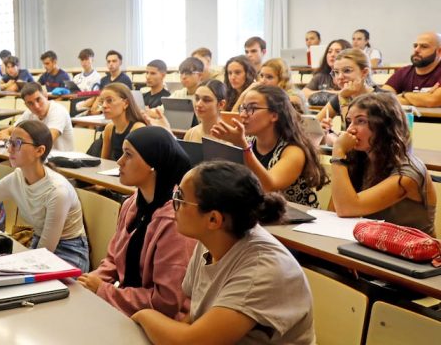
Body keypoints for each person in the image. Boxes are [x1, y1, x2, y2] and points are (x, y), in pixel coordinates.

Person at [132, 161, 315, 344]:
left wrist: (142, 314)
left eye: (179, 197)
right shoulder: (212, 239)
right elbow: (194, 318)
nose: (173, 203)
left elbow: (192, 342)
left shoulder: (263, 269)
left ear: (213, 219)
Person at [78, 126, 195, 318]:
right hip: (129, 307)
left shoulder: (176, 220)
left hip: (163, 321)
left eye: (128, 155)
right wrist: (89, 280)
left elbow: (167, 302)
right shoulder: (132, 202)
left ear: (153, 165)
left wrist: (104, 291)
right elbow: (113, 259)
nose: (119, 161)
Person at [0, 120, 90, 271]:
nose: (9, 149)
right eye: (9, 142)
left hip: (70, 252)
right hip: (39, 243)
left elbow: (44, 255)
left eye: (17, 143)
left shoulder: (57, 191)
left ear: (39, 151)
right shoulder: (17, 177)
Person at [330, 92, 436, 235]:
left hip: (406, 253)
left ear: (385, 126)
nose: (350, 129)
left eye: (361, 121)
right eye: (349, 121)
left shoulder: (408, 172)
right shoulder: (359, 159)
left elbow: (346, 208)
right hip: (366, 243)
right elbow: (334, 209)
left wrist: (338, 153)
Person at [212, 86, 328, 207]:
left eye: (252, 108)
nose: (243, 115)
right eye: (243, 108)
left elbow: (268, 187)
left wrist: (242, 146)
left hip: (297, 221)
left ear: (274, 115)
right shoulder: (248, 141)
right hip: (260, 215)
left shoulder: (294, 150)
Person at [316, 49, 383, 145]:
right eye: (336, 72)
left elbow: (353, 136)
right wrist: (325, 130)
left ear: (364, 72)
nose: (340, 77)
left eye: (347, 71)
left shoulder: (382, 99)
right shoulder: (341, 96)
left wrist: (343, 98)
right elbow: (313, 126)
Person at [0, 82, 75, 151]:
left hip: (63, 162)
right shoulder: (29, 113)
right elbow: (10, 131)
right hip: (40, 158)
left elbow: (46, 141)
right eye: (30, 103)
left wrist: (10, 139)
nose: (36, 106)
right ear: (26, 105)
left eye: (38, 99)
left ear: (46, 96)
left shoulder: (58, 111)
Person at [383, 32, 441, 107]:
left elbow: (432, 101)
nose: (416, 50)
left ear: (439, 51)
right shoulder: (403, 72)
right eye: (415, 46)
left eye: (424, 46)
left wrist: (404, 94)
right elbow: (383, 98)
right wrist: (422, 98)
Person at [101, 83, 147, 161]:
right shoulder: (109, 128)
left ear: (126, 103)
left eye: (109, 100)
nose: (104, 105)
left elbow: (139, 163)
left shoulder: (138, 128)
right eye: (102, 101)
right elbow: (104, 161)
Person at [88, 50, 132, 114]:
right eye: (108, 61)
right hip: (103, 111)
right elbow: (100, 98)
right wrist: (95, 108)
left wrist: (100, 110)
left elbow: (125, 102)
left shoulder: (125, 80)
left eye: (114, 61)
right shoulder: (104, 80)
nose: (111, 64)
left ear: (120, 62)